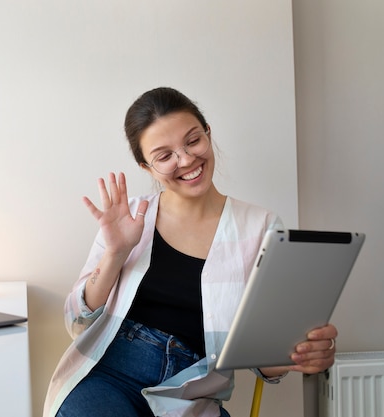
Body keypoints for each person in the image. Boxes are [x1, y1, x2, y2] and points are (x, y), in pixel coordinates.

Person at [43, 87, 337, 417]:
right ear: (147, 167)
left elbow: (265, 362)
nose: (186, 160)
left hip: (192, 393)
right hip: (109, 375)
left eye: (193, 140)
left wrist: (298, 354)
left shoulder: (261, 227)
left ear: (208, 134)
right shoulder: (130, 217)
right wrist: (115, 252)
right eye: (164, 156)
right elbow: (77, 323)